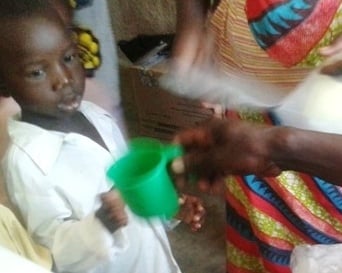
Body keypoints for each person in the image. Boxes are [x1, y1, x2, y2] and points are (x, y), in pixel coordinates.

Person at [0, 1, 205, 273]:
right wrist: (101, 223)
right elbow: (55, 254)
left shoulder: (95, 115)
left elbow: (129, 190)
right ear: (4, 83)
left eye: (69, 58)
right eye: (37, 72)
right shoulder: (27, 165)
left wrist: (166, 207)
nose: (64, 79)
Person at [170, 1, 342, 273]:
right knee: (260, 228)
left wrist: (273, 146)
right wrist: (193, 20)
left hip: (327, 132)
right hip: (246, 118)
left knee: (320, 249)